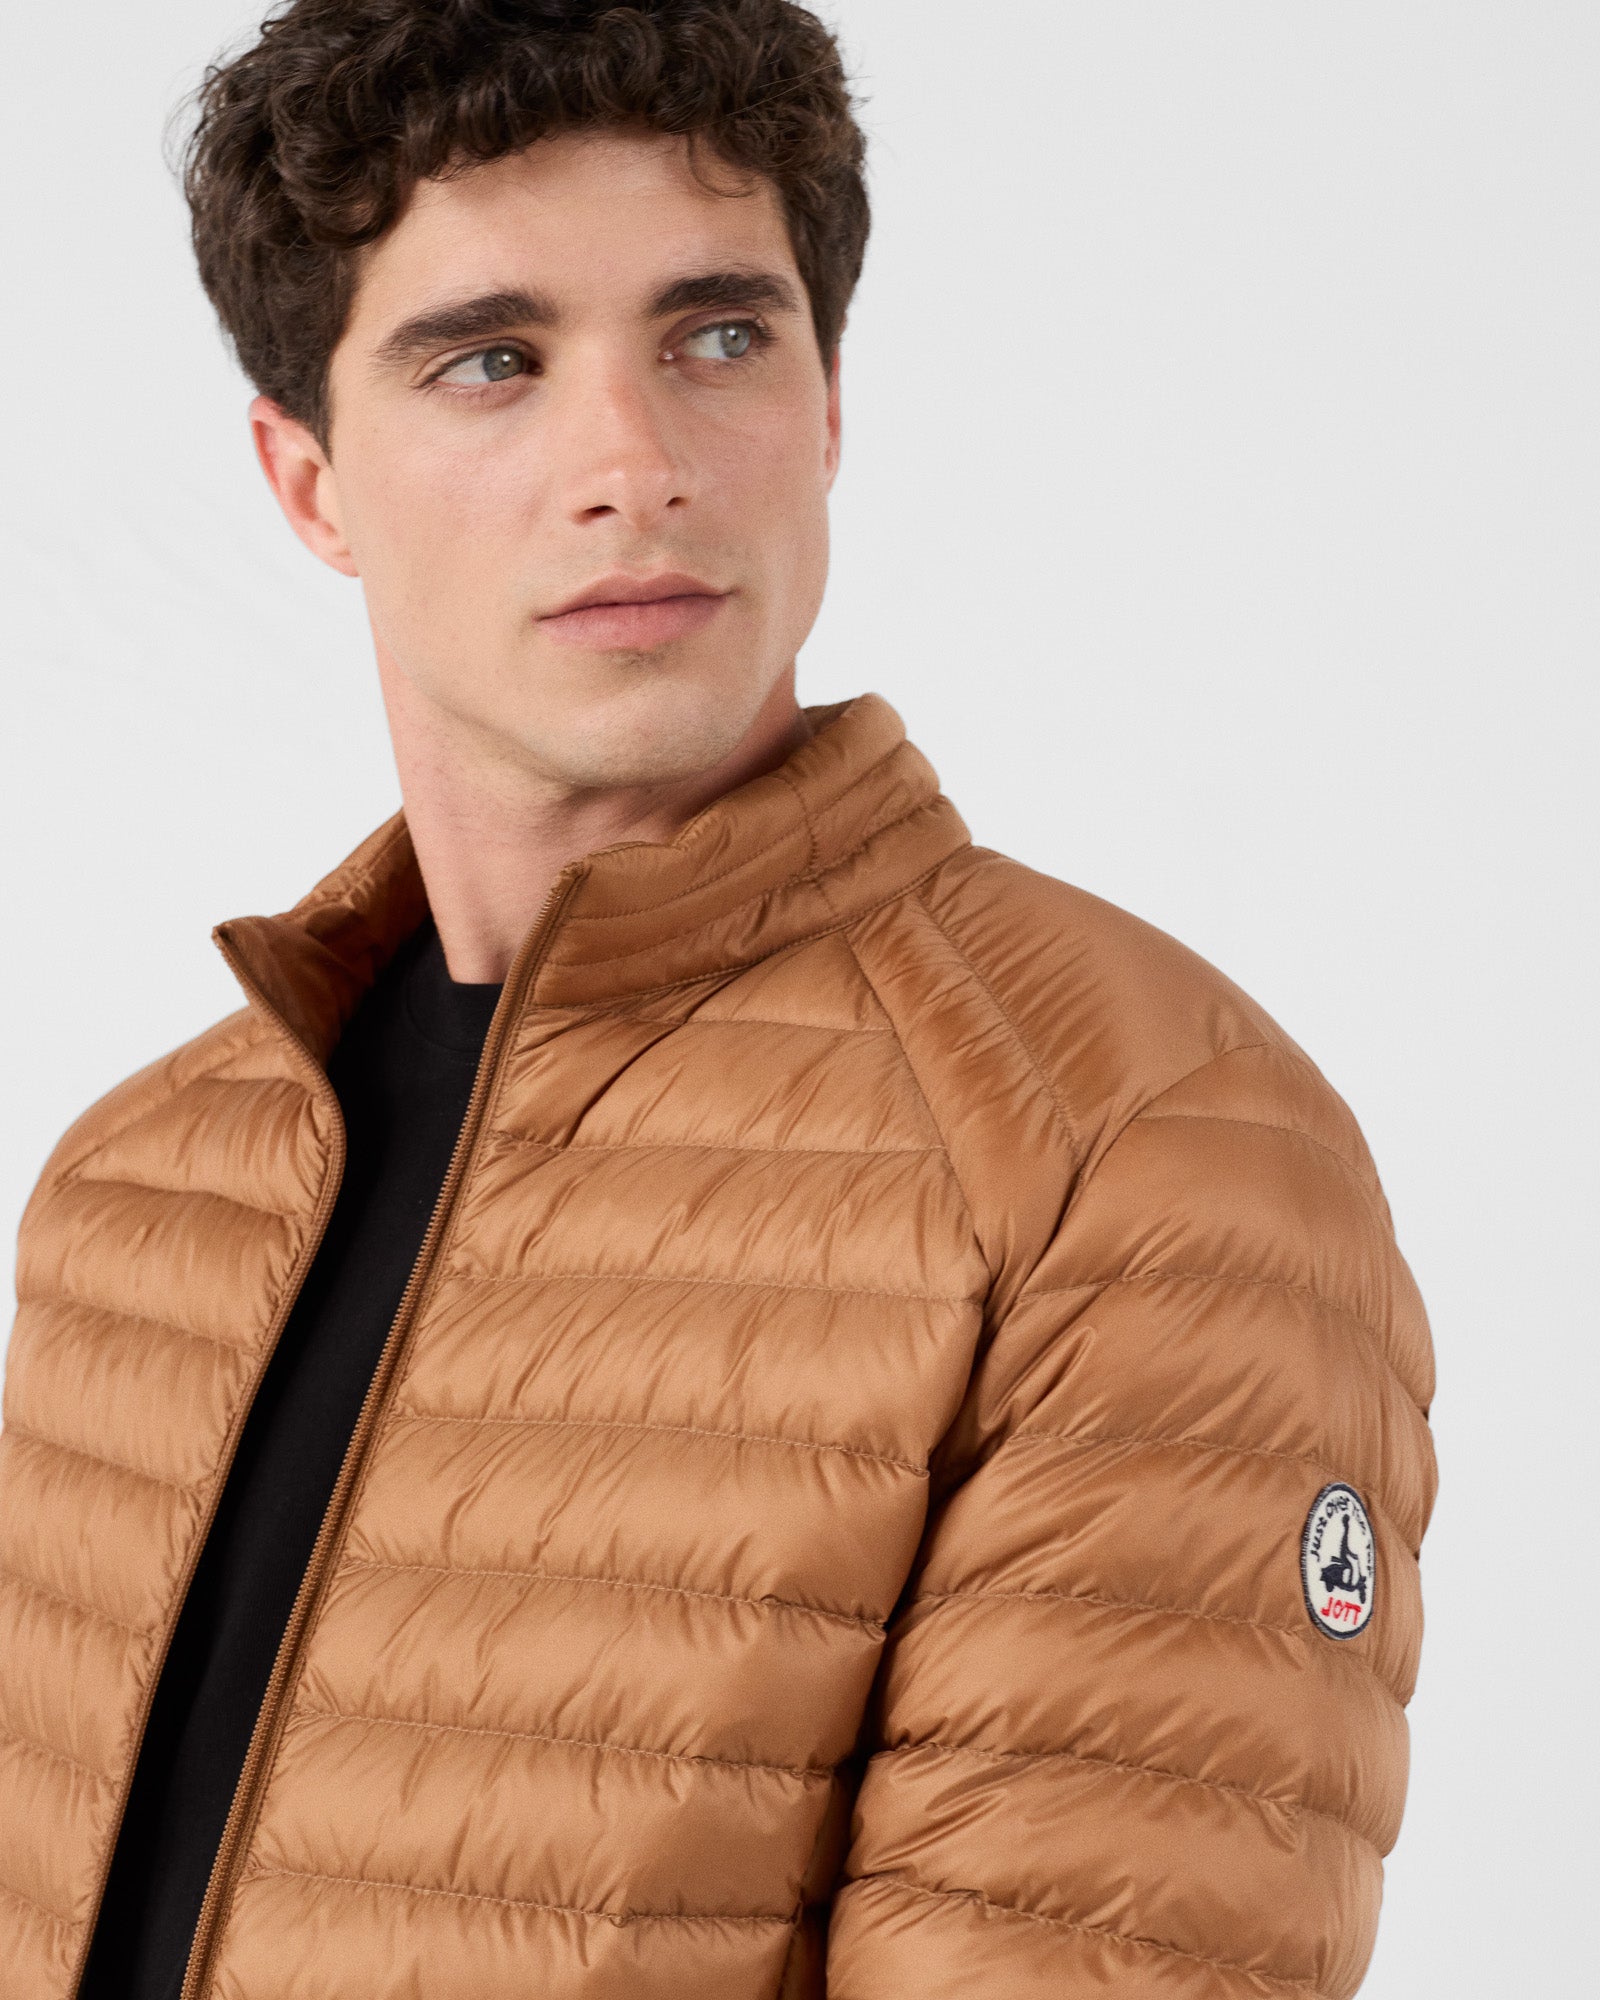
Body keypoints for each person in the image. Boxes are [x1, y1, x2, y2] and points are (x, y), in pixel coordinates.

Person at [0, 3, 1438, 1996]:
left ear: (825, 408)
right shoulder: (143, 1193)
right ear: (310, 483)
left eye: (717, 336)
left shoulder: (1131, 1153)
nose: (635, 464)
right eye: (492, 360)